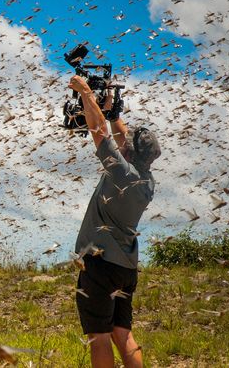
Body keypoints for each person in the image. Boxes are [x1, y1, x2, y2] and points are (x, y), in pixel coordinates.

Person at [68, 74, 161, 368]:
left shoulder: (120, 171)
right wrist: (114, 113)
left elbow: (98, 131)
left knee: (99, 336)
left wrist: (86, 93)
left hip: (101, 265)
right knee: (122, 332)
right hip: (125, 269)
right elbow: (121, 138)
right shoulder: (146, 180)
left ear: (129, 152)